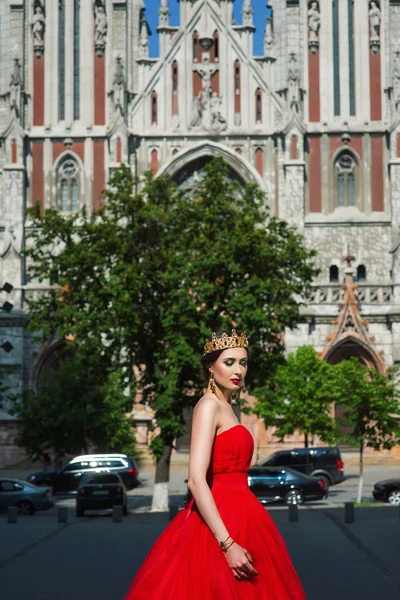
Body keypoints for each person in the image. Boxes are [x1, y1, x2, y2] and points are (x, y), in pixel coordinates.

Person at [124, 329, 306, 599]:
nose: (238, 370)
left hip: (246, 513)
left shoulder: (228, 407)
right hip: (220, 521)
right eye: (229, 362)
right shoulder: (208, 406)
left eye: (243, 362)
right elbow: (196, 480)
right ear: (211, 367)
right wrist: (228, 543)